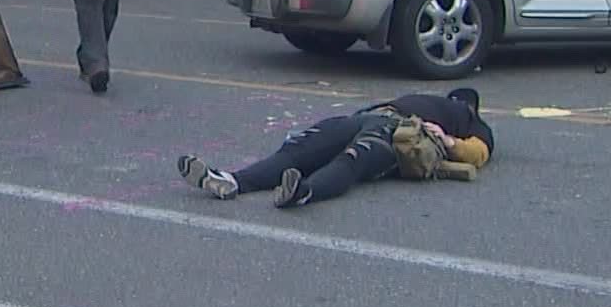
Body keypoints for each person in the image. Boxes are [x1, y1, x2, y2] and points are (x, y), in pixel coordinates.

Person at [177, 88, 495, 208]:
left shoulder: (471, 120)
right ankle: (231, 180)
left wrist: (448, 140)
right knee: (299, 150)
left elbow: (478, 153)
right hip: (368, 117)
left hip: (399, 134)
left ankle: (304, 192)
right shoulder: (434, 101)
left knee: (352, 161)